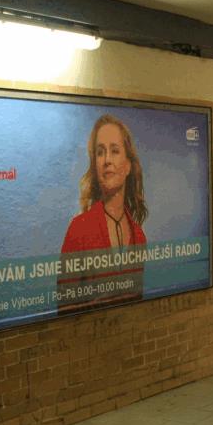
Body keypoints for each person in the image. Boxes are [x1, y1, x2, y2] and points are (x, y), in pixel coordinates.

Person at [58, 114, 147, 312]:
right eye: (100, 152)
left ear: (128, 166)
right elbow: (64, 307)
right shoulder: (79, 229)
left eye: (114, 151)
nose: (107, 160)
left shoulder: (139, 237)